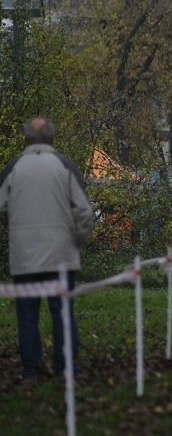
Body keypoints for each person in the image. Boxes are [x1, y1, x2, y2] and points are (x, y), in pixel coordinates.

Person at [0, 117, 94, 381]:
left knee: (27, 316)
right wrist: (76, 240)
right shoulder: (65, 166)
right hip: (61, 255)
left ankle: (31, 369)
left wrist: (14, 227)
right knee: (62, 313)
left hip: (25, 256)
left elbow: (1, 207)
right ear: (52, 139)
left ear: (26, 139)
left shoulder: (13, 168)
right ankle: (66, 368)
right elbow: (84, 212)